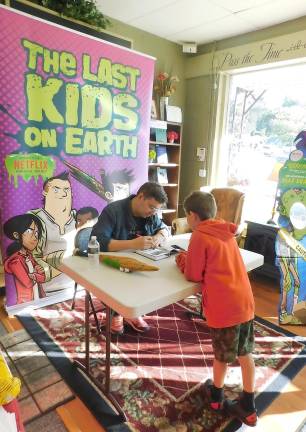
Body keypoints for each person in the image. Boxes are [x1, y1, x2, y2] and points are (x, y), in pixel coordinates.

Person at [175, 191, 257, 427]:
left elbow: (192, 274)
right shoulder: (226, 230)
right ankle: (248, 404)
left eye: (187, 216)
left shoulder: (200, 235)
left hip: (225, 307)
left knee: (221, 357)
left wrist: (182, 259)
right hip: (244, 303)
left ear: (192, 215)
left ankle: (216, 397)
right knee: (244, 353)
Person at [91, 181, 169, 334]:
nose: (153, 212)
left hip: (137, 263)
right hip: (109, 264)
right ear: (140, 197)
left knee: (155, 276)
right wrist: (133, 244)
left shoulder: (151, 215)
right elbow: (98, 242)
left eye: (157, 209)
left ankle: (132, 311)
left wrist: (160, 236)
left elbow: (164, 228)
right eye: (152, 207)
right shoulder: (113, 211)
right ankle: (117, 312)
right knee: (121, 280)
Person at [29, 171, 76, 296]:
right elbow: (31, 258)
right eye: (56, 189)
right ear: (45, 192)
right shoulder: (34, 219)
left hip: (80, 286)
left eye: (67, 189)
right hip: (48, 290)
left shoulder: (78, 218)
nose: (63, 193)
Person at [3, 214, 46, 304]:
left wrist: (37, 274)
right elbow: (28, 282)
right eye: (30, 231)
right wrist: (37, 274)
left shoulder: (29, 256)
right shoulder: (15, 261)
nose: (35, 237)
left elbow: (43, 278)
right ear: (16, 235)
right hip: (25, 303)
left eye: (37, 233)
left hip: (39, 299)